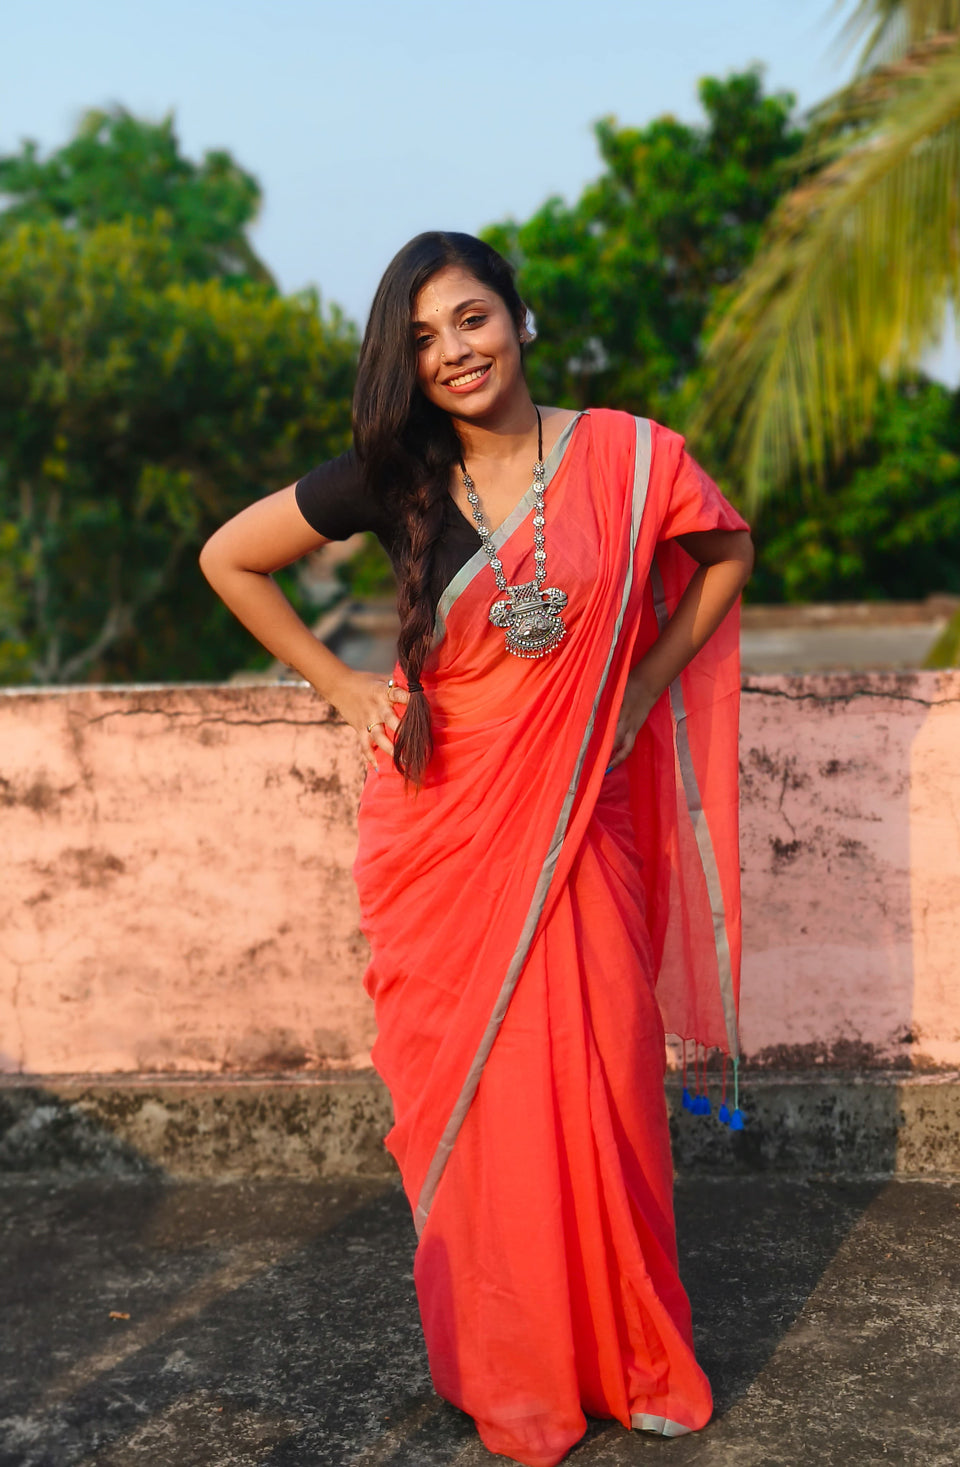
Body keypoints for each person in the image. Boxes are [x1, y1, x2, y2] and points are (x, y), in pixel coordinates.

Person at [199, 230, 753, 1467]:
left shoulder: (628, 455)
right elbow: (227, 557)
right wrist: (343, 693)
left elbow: (725, 553)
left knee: (608, 1084)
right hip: (441, 829)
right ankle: (514, 1367)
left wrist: (642, 687)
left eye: (470, 320)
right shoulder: (392, 476)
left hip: (578, 825)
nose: (452, 352)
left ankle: (627, 1354)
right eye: (422, 339)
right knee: (485, 1112)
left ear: (520, 317)